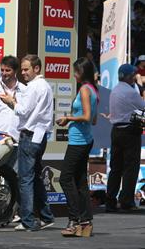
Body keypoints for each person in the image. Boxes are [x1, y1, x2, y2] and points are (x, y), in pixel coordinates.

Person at [0, 54, 55, 231]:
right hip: (40, 136)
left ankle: (28, 220)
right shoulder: (45, 86)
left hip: (30, 136)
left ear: (36, 69)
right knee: (35, 178)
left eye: (26, 69)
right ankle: (46, 216)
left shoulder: (33, 87)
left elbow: (23, 111)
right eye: (22, 69)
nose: (23, 73)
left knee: (25, 179)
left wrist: (11, 102)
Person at [56, 58, 98, 237]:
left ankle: (74, 220)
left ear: (83, 73)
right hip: (84, 139)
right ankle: (86, 221)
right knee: (80, 181)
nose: (74, 75)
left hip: (79, 141)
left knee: (65, 178)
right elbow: (94, 119)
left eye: (76, 72)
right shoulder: (93, 90)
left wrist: (69, 118)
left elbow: (88, 116)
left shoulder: (84, 90)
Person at [106, 64, 145, 212]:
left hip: (116, 131)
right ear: (129, 76)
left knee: (115, 168)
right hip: (129, 132)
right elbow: (143, 106)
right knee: (130, 167)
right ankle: (126, 200)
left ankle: (110, 200)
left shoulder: (115, 90)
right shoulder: (131, 92)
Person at [0, 55, 27, 168]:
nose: (4, 73)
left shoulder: (24, 90)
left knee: (15, 177)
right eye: (2, 70)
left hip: (16, 140)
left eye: (8, 70)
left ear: (15, 71)